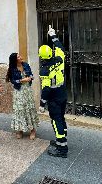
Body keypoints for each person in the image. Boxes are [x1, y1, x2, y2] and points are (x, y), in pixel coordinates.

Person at [39, 25, 68, 158]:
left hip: (53, 98)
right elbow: (61, 48)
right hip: (62, 94)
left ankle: (62, 148)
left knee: (56, 121)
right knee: (61, 118)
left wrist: (42, 103)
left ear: (41, 57)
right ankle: (61, 139)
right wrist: (53, 36)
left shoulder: (45, 69)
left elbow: (46, 89)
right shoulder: (59, 58)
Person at [6, 53, 39, 140]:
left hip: (27, 90)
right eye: (18, 57)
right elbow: (12, 81)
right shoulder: (12, 69)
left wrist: (30, 78)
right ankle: (20, 130)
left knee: (29, 109)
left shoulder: (26, 65)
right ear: (15, 60)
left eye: (20, 56)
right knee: (19, 110)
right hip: (19, 91)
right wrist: (21, 80)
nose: (21, 57)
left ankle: (32, 130)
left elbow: (31, 75)